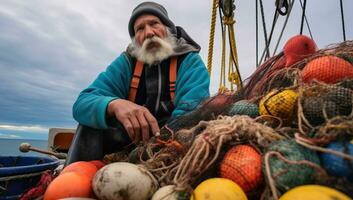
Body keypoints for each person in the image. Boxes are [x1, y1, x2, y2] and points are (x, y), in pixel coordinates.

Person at [66, 1, 210, 164]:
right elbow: (82, 103)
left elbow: (191, 114)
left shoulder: (189, 61)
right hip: (130, 140)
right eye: (140, 29)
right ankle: (74, 179)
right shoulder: (127, 63)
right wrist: (114, 104)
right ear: (136, 39)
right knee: (89, 125)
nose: (148, 32)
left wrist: (152, 150)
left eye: (154, 23)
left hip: (174, 142)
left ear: (168, 29)